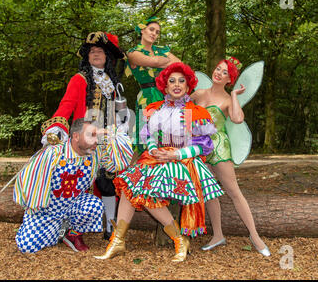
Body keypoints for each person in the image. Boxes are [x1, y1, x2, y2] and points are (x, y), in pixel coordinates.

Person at [94, 62, 224, 262]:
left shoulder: (197, 112)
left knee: (144, 189)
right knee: (130, 185)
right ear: (165, 86)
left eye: (182, 81)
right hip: (155, 160)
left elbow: (204, 146)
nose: (177, 84)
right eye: (172, 81)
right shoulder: (155, 110)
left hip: (183, 163)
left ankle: (179, 240)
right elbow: (150, 137)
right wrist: (154, 148)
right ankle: (118, 240)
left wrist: (176, 155)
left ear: (189, 86)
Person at [40, 31, 127, 242]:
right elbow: (67, 105)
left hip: (106, 140)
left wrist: (122, 126)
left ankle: (110, 227)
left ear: (108, 57)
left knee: (108, 183)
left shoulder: (112, 84)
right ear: (87, 57)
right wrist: (57, 127)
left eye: (100, 51)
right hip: (85, 140)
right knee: (78, 183)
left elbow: (117, 113)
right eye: (92, 51)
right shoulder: (79, 79)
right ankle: (71, 231)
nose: (96, 54)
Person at [190, 57, 271, 256]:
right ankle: (218, 235)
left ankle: (255, 236)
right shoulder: (198, 93)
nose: (218, 73)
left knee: (234, 191)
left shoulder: (227, 100)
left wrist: (234, 95)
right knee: (209, 191)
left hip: (218, 148)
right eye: (218, 68)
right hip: (199, 148)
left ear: (229, 79)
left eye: (224, 72)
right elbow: (179, 105)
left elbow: (237, 118)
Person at [14, 118, 133, 253]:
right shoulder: (53, 153)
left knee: (94, 206)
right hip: (45, 210)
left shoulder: (97, 154)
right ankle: (57, 230)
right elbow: (30, 183)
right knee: (27, 247)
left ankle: (73, 234)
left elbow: (119, 163)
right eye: (91, 135)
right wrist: (35, 213)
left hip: (73, 205)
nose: (96, 140)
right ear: (76, 136)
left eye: (97, 136)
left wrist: (111, 132)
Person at [125, 16, 181, 155]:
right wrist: (164, 61)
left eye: (157, 32)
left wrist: (159, 60)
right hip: (147, 97)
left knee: (168, 135)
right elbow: (154, 62)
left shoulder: (162, 50)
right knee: (146, 136)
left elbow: (180, 65)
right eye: (151, 29)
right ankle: (139, 172)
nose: (154, 34)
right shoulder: (132, 52)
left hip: (167, 96)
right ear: (142, 30)